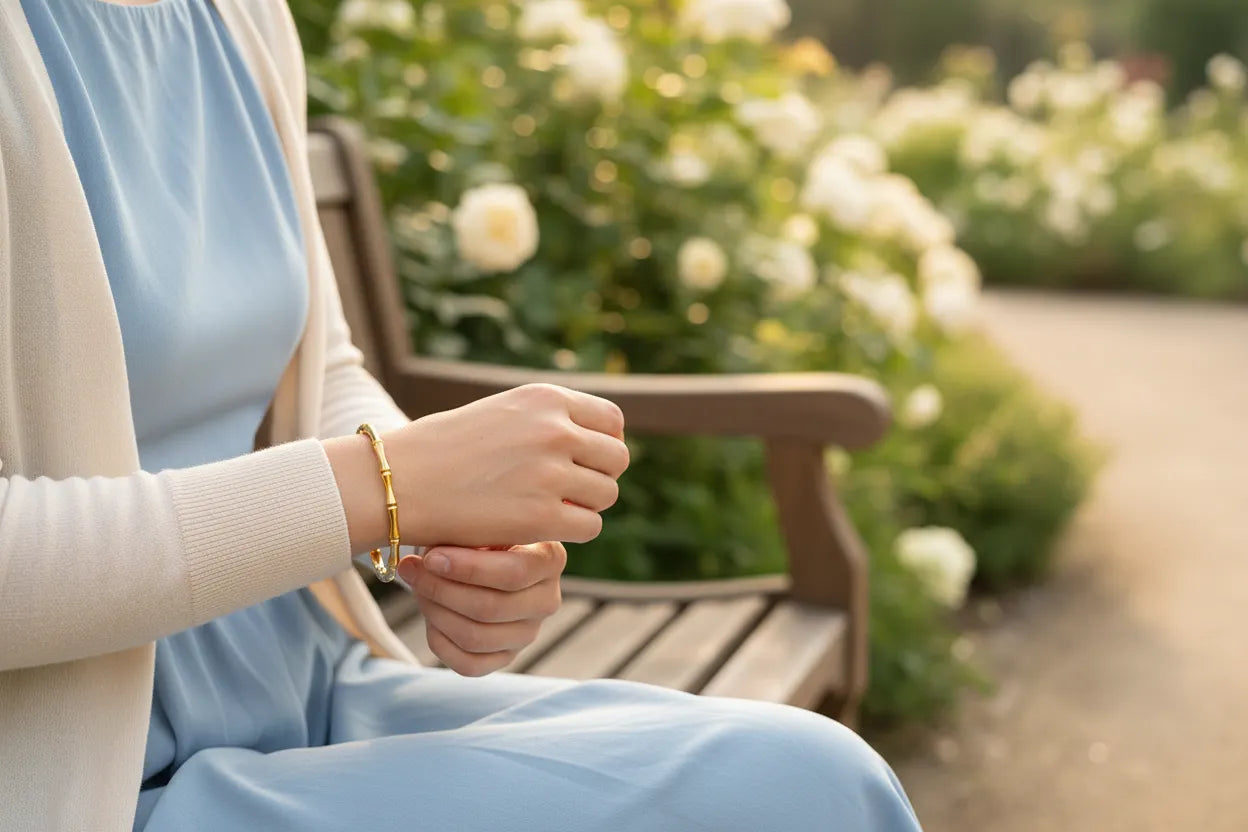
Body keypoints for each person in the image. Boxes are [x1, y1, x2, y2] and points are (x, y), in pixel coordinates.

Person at [0, 0, 923, 829]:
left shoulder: (239, 17)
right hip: (94, 782)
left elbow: (319, 367)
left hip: (315, 688)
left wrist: (429, 538)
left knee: (814, 781)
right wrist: (381, 486)